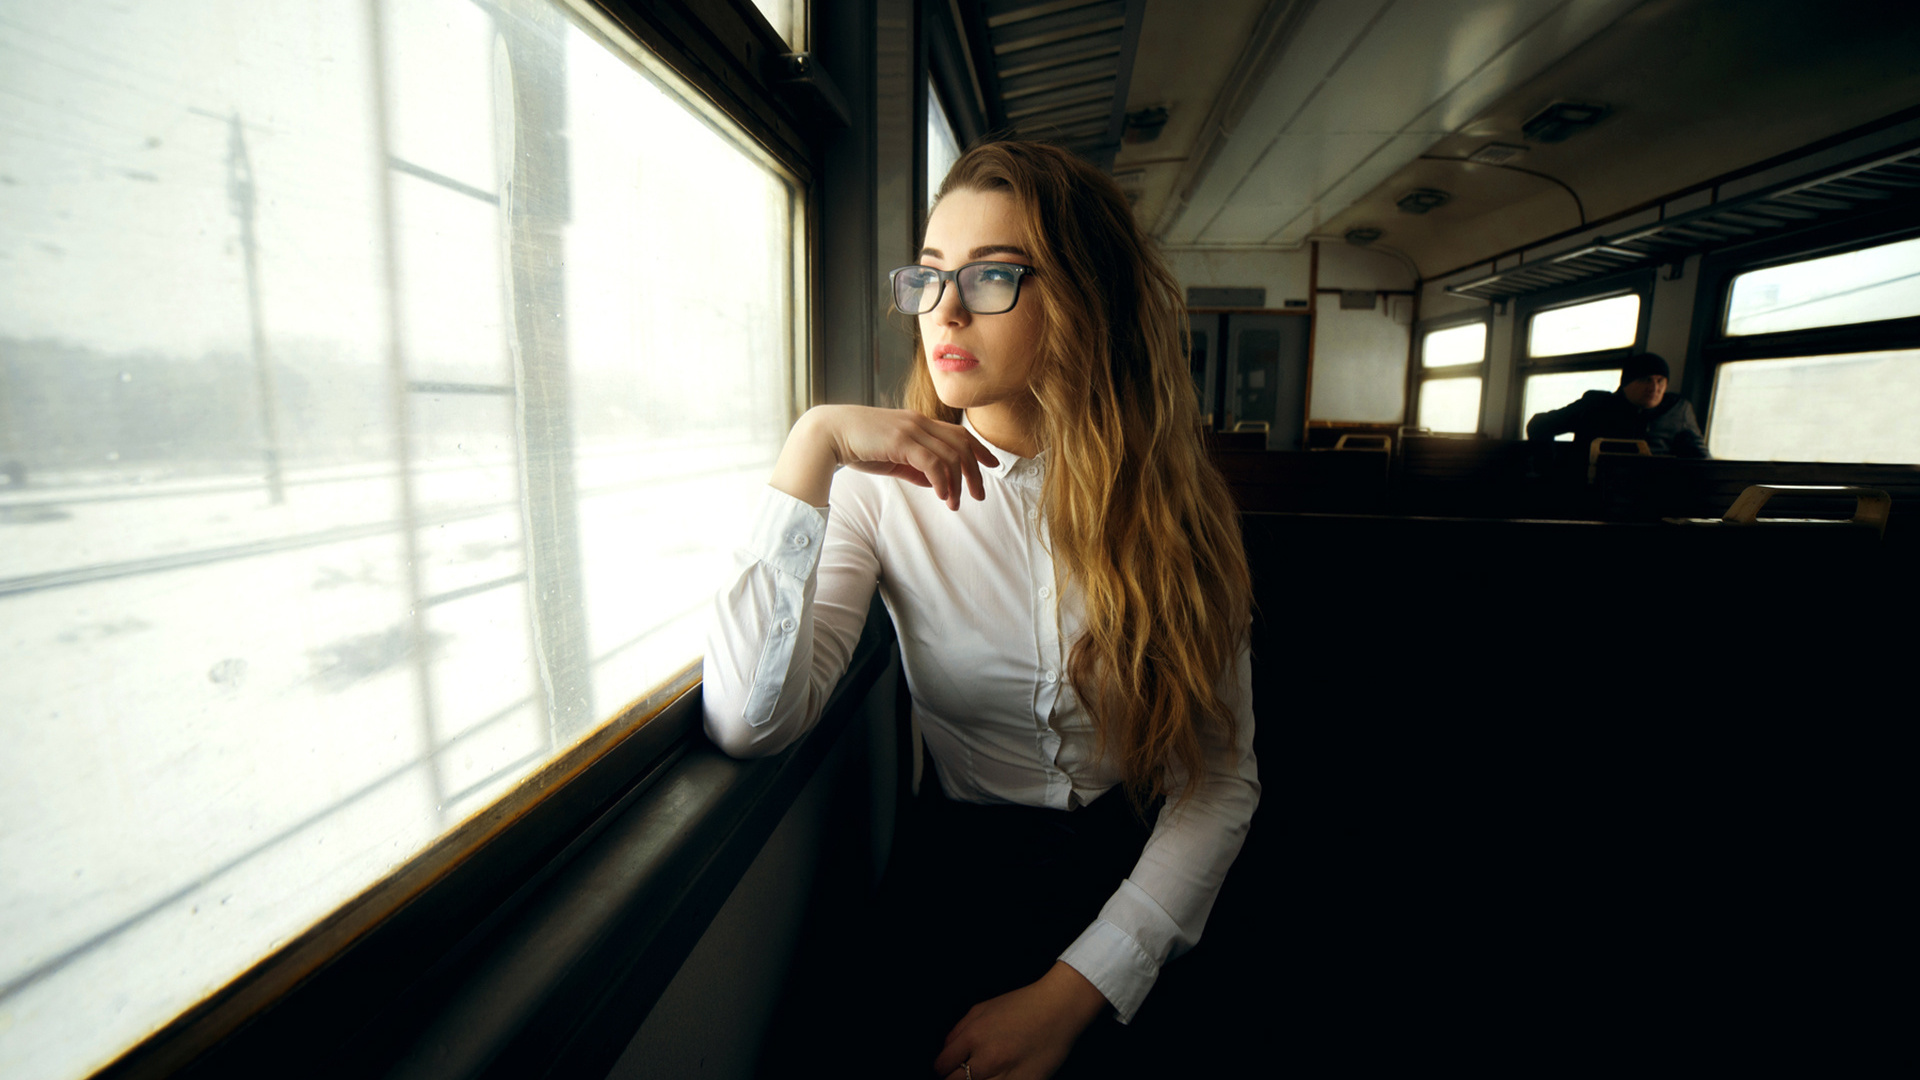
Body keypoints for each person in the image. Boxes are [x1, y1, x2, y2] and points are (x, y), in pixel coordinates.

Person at [702, 140, 1258, 1079]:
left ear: (1084, 297)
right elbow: (751, 722)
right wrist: (813, 446)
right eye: (929, 276)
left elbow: (1218, 782)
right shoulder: (879, 493)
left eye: (994, 275)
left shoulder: (1179, 506)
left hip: (1145, 880)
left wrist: (1072, 992)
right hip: (957, 878)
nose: (946, 309)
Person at [1525, 353, 1709, 457]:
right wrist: (1550, 466)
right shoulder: (1596, 405)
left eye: (1660, 380)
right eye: (1645, 380)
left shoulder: (1678, 410)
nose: (1654, 387)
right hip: (1595, 489)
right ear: (1626, 384)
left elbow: (1702, 459)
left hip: (1653, 493)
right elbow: (1539, 425)